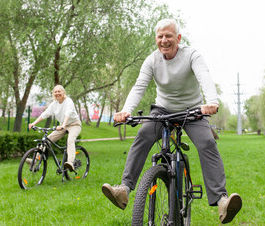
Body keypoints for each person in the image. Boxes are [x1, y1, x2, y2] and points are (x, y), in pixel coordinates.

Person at [102, 19, 242, 224]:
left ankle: (221, 200)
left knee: (207, 143)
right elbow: (139, 86)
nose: (164, 40)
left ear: (178, 38)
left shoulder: (192, 55)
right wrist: (125, 111)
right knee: (142, 135)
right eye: (160, 36)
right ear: (156, 39)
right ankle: (124, 189)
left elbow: (204, 77)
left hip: (193, 110)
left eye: (168, 36)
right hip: (163, 110)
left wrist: (211, 101)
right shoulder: (152, 60)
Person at [28, 85, 82, 172]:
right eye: (55, 92)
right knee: (47, 140)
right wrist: (33, 123)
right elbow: (45, 114)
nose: (57, 93)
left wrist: (63, 125)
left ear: (63, 92)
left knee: (70, 140)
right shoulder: (54, 104)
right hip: (62, 126)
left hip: (74, 124)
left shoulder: (69, 101)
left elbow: (67, 114)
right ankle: (34, 161)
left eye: (59, 91)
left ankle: (70, 162)